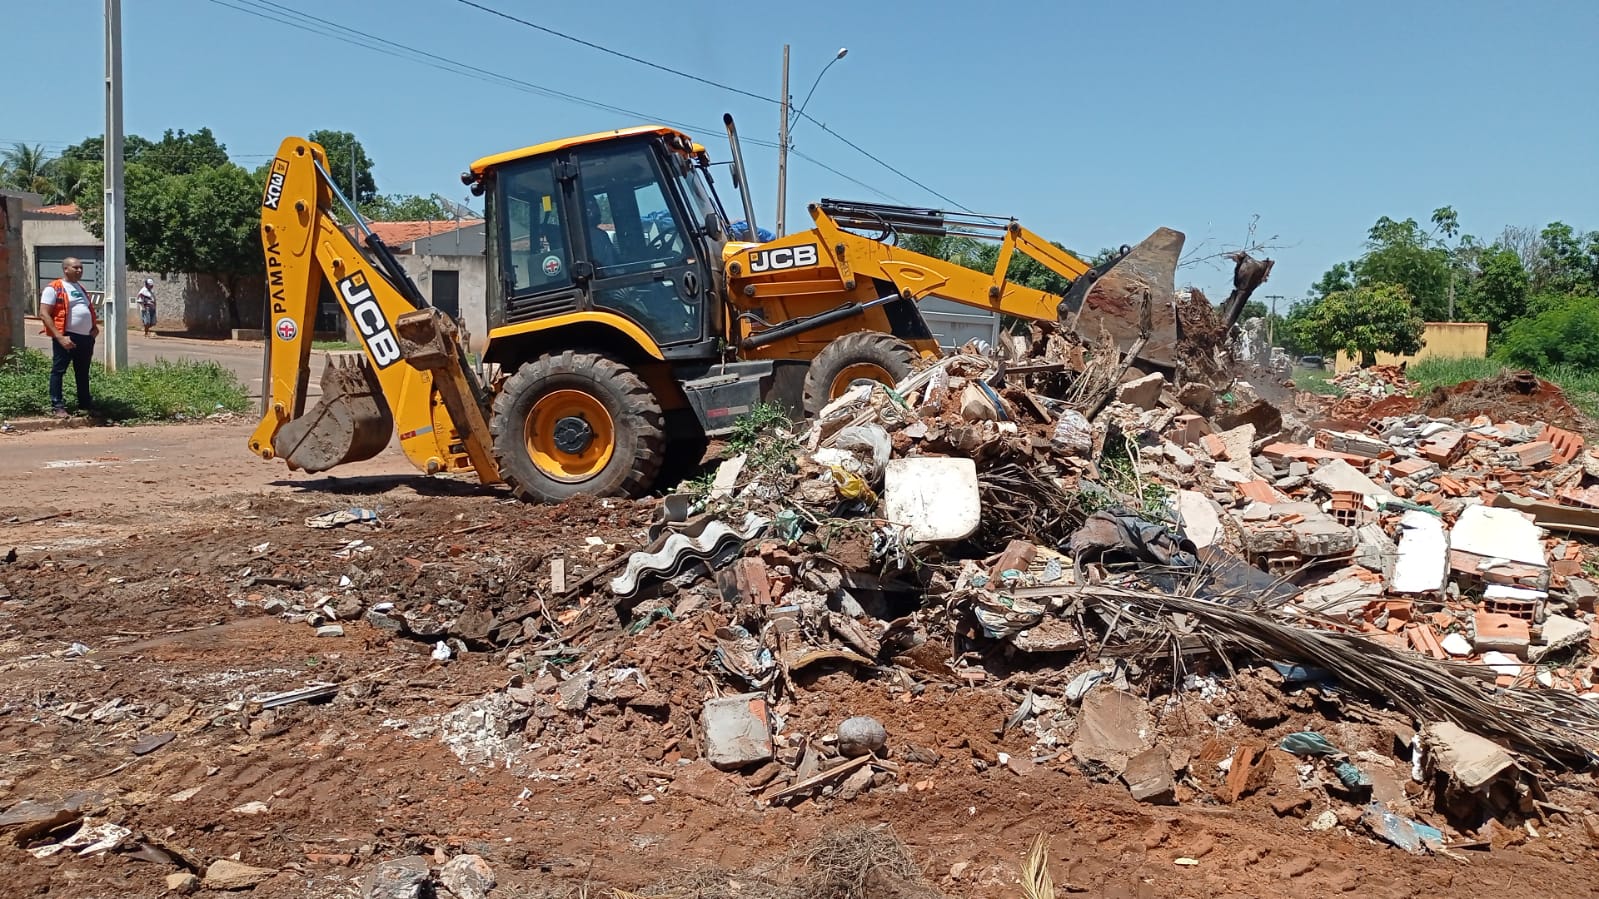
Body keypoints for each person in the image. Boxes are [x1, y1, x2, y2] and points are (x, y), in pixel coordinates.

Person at [38, 258, 99, 418]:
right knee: (58, 371)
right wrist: (60, 337)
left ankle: (85, 405)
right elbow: (44, 313)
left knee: (82, 372)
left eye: (81, 268)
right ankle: (57, 406)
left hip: (85, 338)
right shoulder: (54, 288)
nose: (79, 270)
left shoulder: (80, 287)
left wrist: (93, 328)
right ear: (66, 269)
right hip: (66, 338)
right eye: (76, 267)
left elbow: (86, 310)